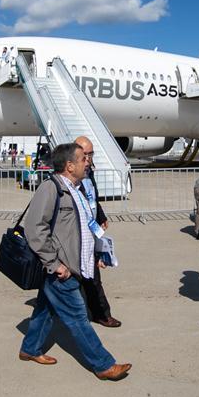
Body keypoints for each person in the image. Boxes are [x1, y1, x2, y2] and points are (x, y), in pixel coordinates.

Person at [18, 143, 131, 381]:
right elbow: (35, 228)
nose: (87, 161)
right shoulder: (51, 188)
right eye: (83, 158)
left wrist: (97, 254)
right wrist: (54, 263)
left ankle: (30, 349)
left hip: (75, 264)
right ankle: (103, 365)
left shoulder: (77, 188)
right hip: (62, 268)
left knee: (46, 309)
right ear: (69, 166)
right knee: (78, 317)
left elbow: (84, 226)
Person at [74, 135, 120, 328]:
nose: (89, 159)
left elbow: (93, 197)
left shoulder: (88, 171)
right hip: (75, 233)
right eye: (85, 155)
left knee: (91, 274)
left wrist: (100, 216)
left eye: (91, 154)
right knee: (78, 277)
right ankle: (99, 313)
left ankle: (100, 313)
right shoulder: (69, 175)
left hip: (90, 229)